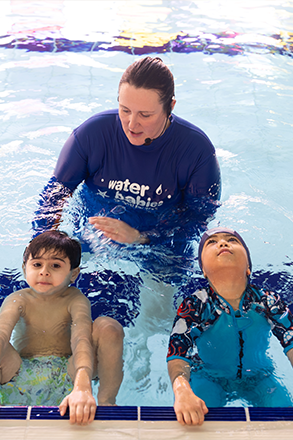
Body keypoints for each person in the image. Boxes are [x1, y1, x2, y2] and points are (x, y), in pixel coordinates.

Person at [32, 56, 221, 257]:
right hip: (93, 236)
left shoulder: (197, 152)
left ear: (170, 107)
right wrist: (41, 251)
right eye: (125, 110)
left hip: (161, 247)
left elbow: (198, 220)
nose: (131, 124)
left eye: (145, 115)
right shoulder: (92, 135)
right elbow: (54, 196)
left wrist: (142, 238)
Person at [167, 227, 293, 426]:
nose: (223, 243)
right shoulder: (196, 305)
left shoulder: (268, 302)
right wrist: (182, 391)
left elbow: (291, 342)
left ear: (248, 267)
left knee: (286, 422)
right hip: (209, 377)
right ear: (204, 272)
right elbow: (178, 352)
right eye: (212, 242)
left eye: (232, 240)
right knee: (195, 421)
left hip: (260, 377)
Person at [0, 230, 124, 425]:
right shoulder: (18, 299)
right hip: (17, 373)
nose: (44, 272)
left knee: (109, 327)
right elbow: (3, 333)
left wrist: (82, 387)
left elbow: (81, 338)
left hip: (70, 374)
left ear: (73, 273)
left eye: (55, 265)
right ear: (25, 269)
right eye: (37, 264)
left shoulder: (74, 299)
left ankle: (107, 403)